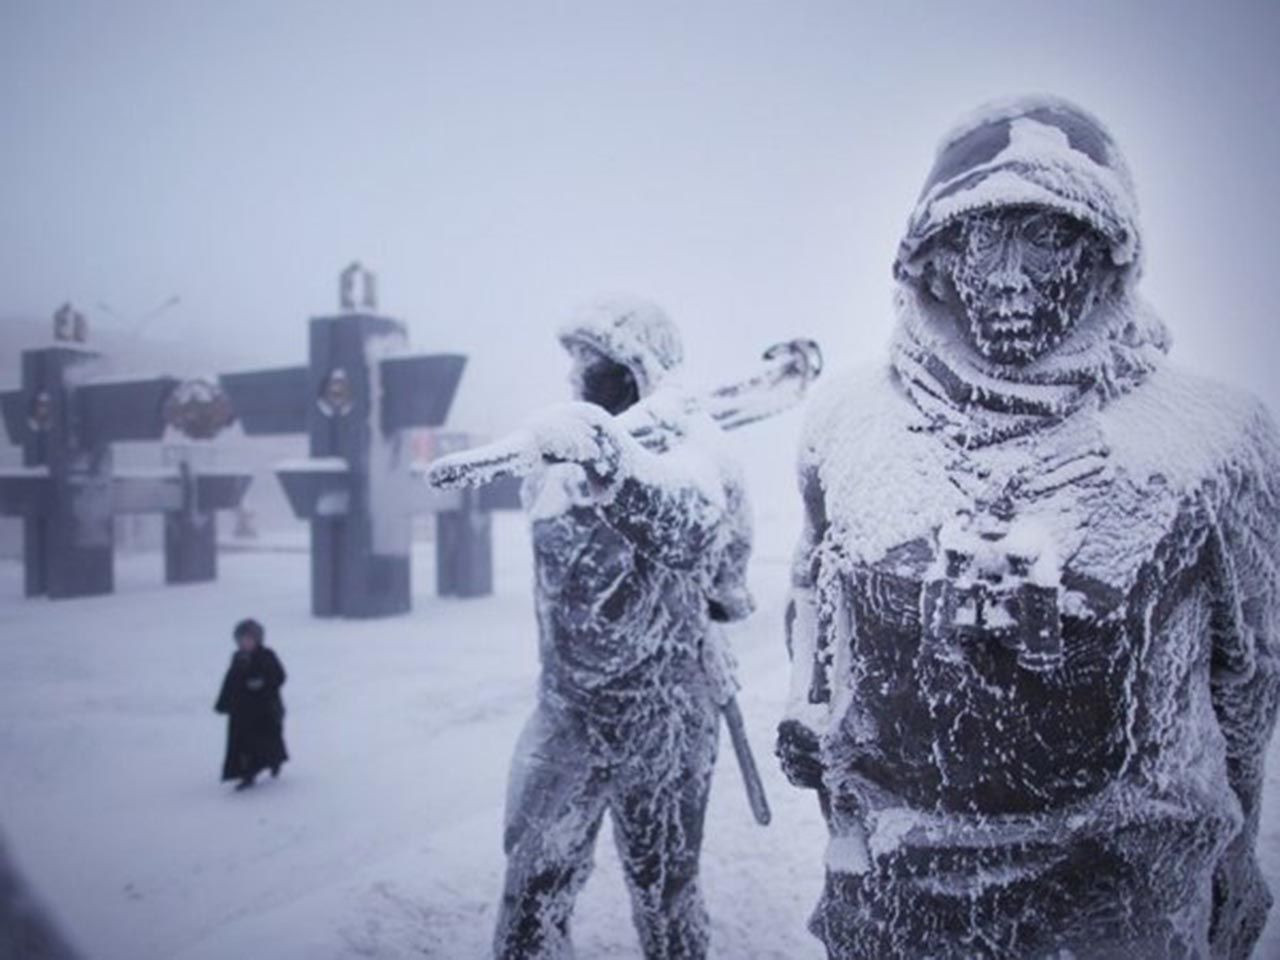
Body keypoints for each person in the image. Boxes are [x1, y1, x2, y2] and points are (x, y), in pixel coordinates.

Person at [777, 96, 1280, 958]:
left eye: (1046, 238)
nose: (1009, 276)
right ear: (934, 259)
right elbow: (818, 611)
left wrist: (1232, 848)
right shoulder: (846, 423)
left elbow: (1248, 680)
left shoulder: (1213, 440)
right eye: (982, 237)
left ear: (1103, 253)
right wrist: (813, 723)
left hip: (1124, 902)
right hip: (898, 901)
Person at [493, 297, 754, 959]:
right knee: (530, 893)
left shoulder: (700, 453)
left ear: (642, 366)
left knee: (665, 899)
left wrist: (622, 468)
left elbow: (713, 559)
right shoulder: (548, 467)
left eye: (601, 363)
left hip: (664, 721)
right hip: (565, 713)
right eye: (578, 364)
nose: (585, 376)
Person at [215, 618, 288, 791]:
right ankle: (247, 774)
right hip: (242, 711)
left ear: (257, 639)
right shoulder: (238, 658)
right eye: (242, 640)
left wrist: (262, 682)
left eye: (249, 639)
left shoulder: (267, 655)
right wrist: (224, 702)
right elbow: (230, 681)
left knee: (267, 741)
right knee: (243, 744)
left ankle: (274, 762)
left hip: (265, 710)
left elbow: (279, 676)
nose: (245, 643)